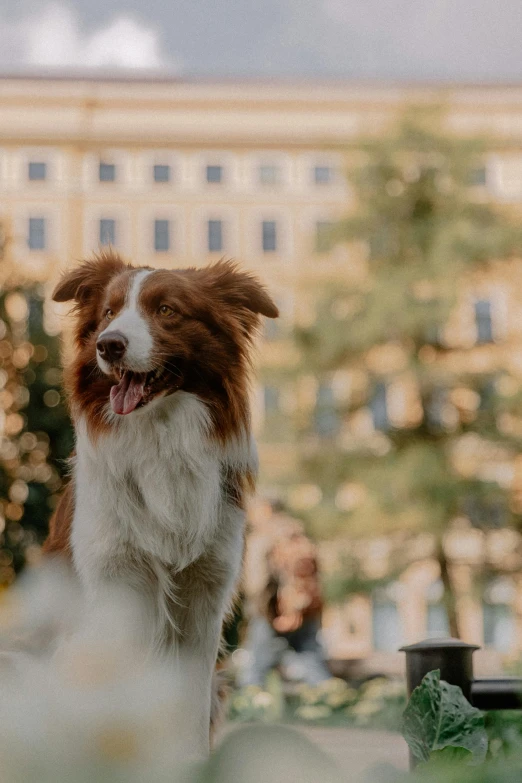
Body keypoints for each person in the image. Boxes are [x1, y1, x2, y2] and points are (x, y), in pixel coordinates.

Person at [240, 499, 331, 687]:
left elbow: (257, 581)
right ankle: (330, 698)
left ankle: (248, 707)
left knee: (256, 667)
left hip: (272, 611)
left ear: (265, 510)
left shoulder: (264, 536)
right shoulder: (298, 532)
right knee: (310, 658)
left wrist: (257, 608)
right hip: (304, 607)